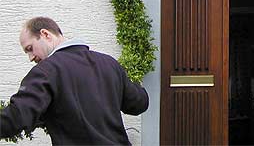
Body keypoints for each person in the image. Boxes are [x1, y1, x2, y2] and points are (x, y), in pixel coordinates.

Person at [0, 17, 149, 145]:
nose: (31, 57)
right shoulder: (109, 63)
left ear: (45, 34)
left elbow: (18, 116)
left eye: (30, 48)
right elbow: (138, 104)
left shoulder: (46, 71)